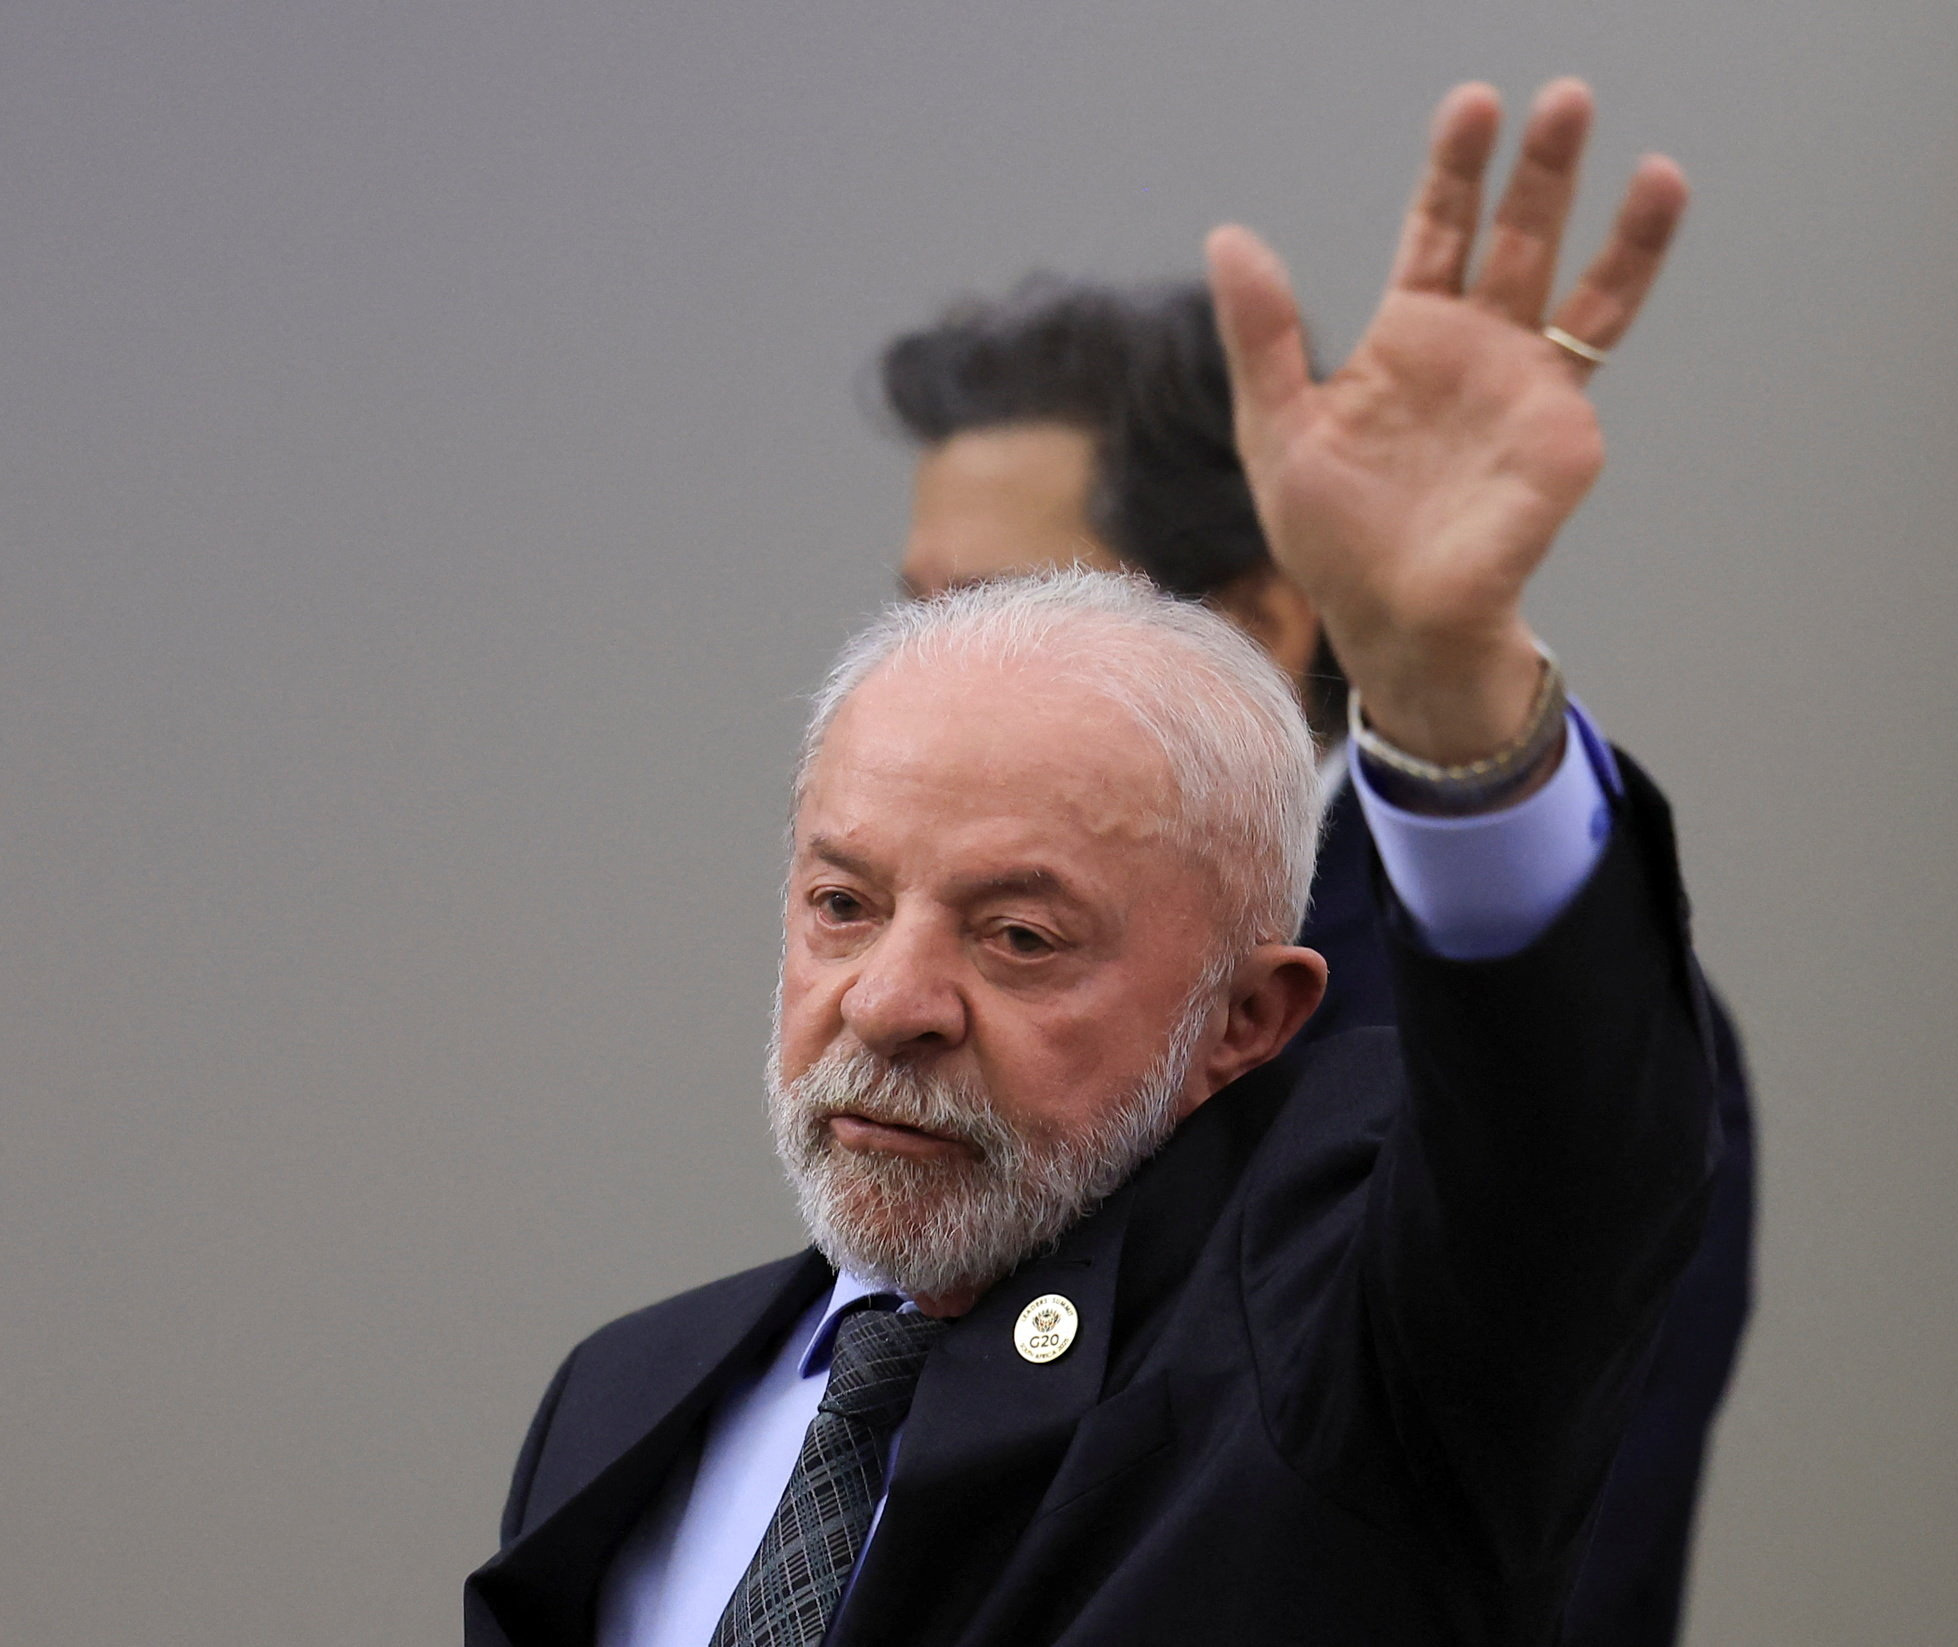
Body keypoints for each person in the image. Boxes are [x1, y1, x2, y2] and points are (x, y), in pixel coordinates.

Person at [469, 79, 1721, 1647]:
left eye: (1019, 938)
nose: (893, 1002)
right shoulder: (624, 1397)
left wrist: (1443, 684)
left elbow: (1555, 1177)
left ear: (1251, 1019)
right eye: (842, 904)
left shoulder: (1328, 1326)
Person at [875, 165, 1754, 1647]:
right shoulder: (920, 984)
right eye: (912, 609)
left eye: (1006, 606)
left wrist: (1455, 707)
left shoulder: (1480, 1039)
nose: (924, 671)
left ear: (1254, 623)